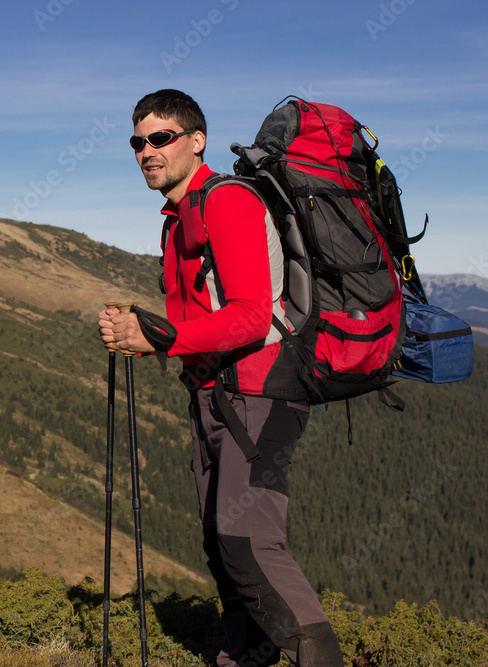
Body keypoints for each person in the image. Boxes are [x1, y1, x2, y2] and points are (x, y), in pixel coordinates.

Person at [98, 89, 344, 666]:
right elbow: (198, 319)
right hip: (213, 394)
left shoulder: (225, 201)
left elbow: (251, 316)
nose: (146, 151)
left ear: (195, 140)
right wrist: (146, 332)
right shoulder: (176, 220)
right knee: (219, 542)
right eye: (138, 142)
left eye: (161, 138)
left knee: (249, 541)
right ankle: (245, 658)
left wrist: (162, 338)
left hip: (260, 391)